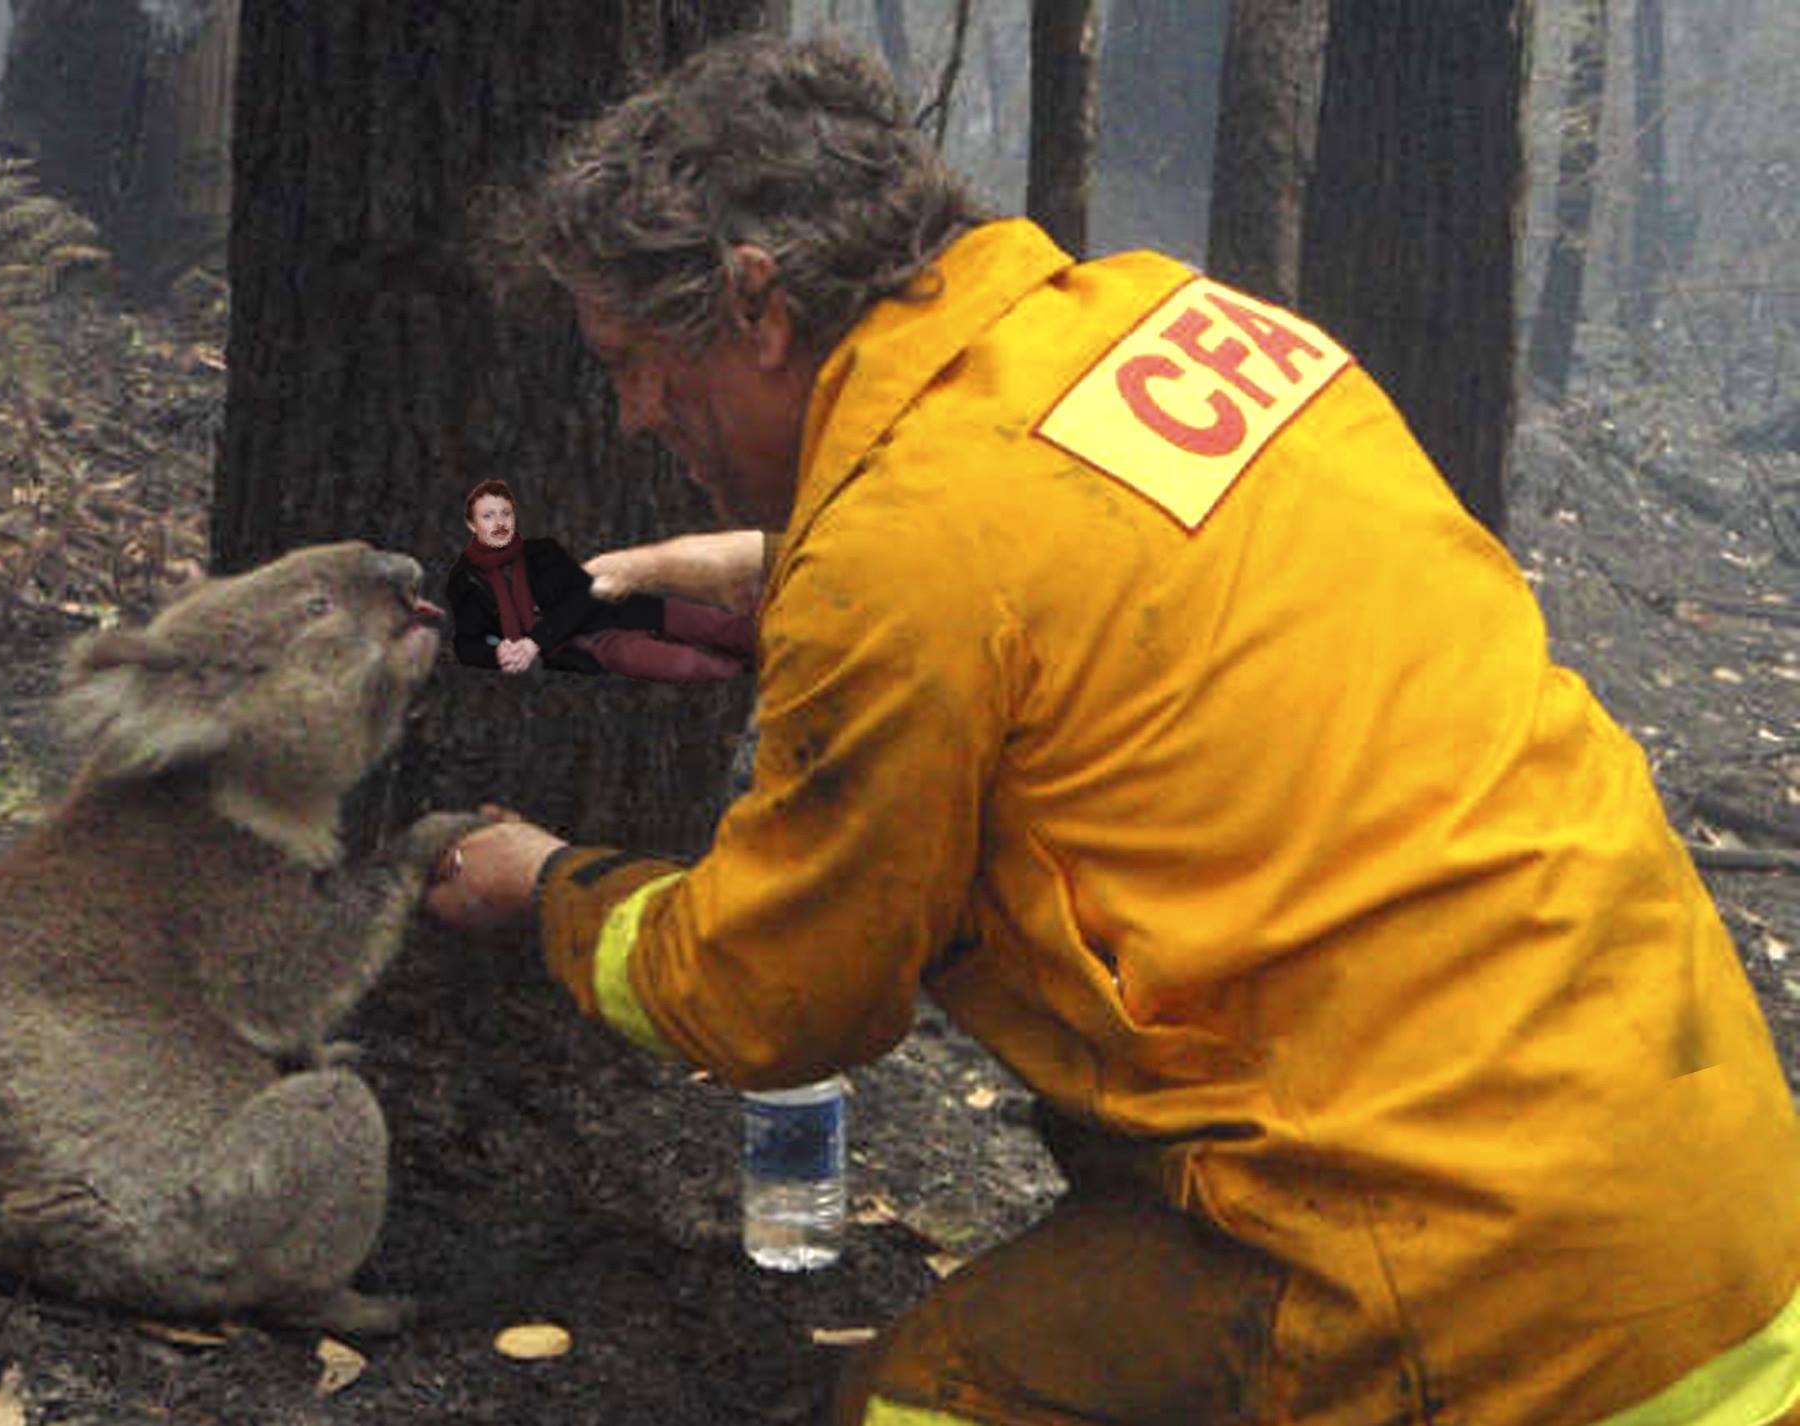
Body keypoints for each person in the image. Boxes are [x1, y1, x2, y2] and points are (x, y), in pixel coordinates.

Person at [425, 34, 1800, 1426]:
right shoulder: (1175, 322)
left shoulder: (908, 555)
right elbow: (1116, 592)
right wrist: (791, 583)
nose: (632, 411)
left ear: (758, 305)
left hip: (1474, 1282)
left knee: (911, 1407)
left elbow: (778, 994)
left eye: (638, 362)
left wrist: (547, 883)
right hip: (1721, 1206)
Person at [445, 478, 754, 682]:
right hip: (595, 644)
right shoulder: (467, 580)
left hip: (625, 610)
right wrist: (497, 654)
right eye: (488, 517)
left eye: (505, 515)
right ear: (472, 525)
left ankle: (781, 644)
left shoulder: (543, 554)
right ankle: (747, 672)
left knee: (722, 627)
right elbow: (467, 645)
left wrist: (535, 641)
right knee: (683, 665)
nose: (499, 524)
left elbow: (582, 596)